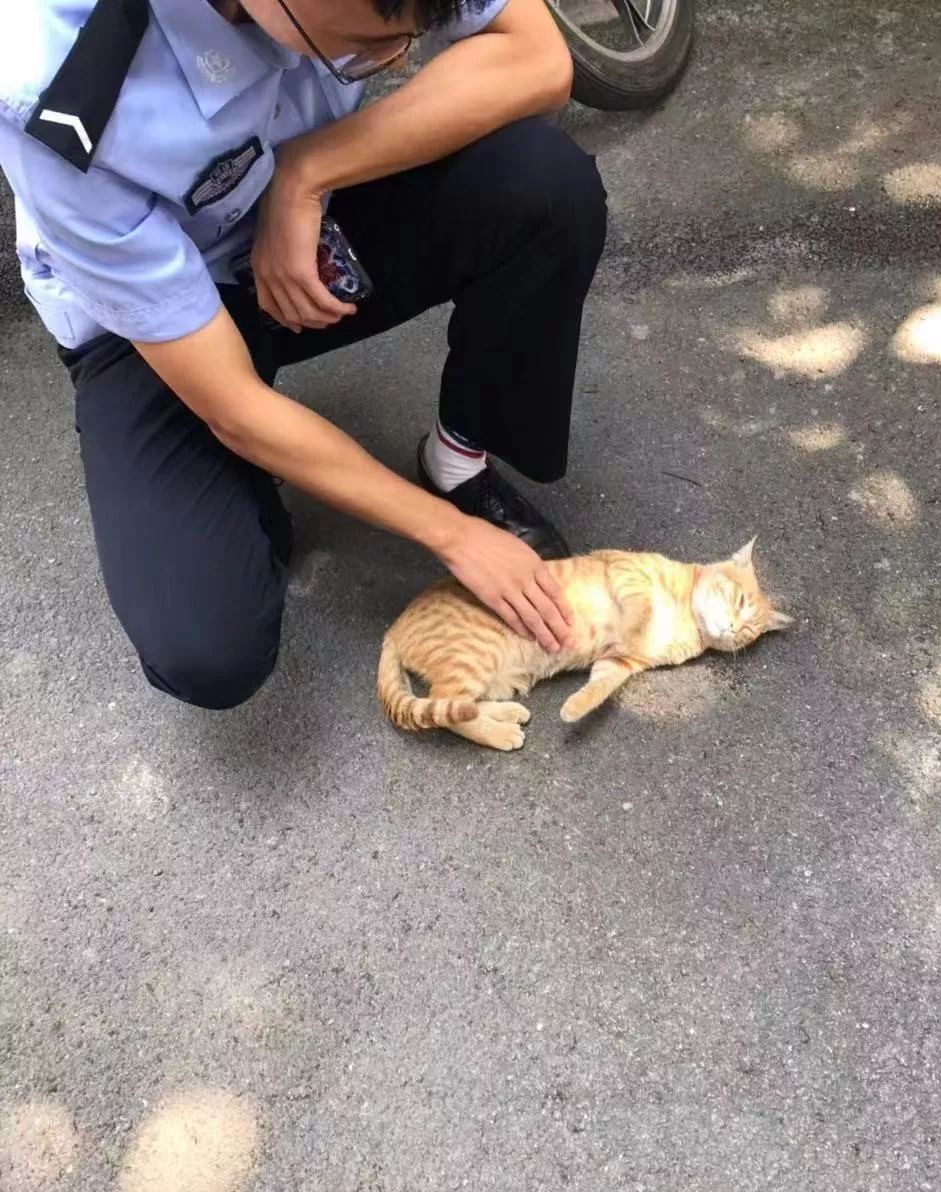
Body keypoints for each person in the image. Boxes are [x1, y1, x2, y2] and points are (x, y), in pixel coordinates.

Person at [0, 0, 607, 709]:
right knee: (206, 648)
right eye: (373, 42)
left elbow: (536, 55)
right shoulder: (55, 86)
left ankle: (458, 458)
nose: (402, 59)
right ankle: (252, 487)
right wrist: (454, 538)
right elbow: (231, 403)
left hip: (304, 220)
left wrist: (307, 172)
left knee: (544, 183)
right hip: (152, 328)